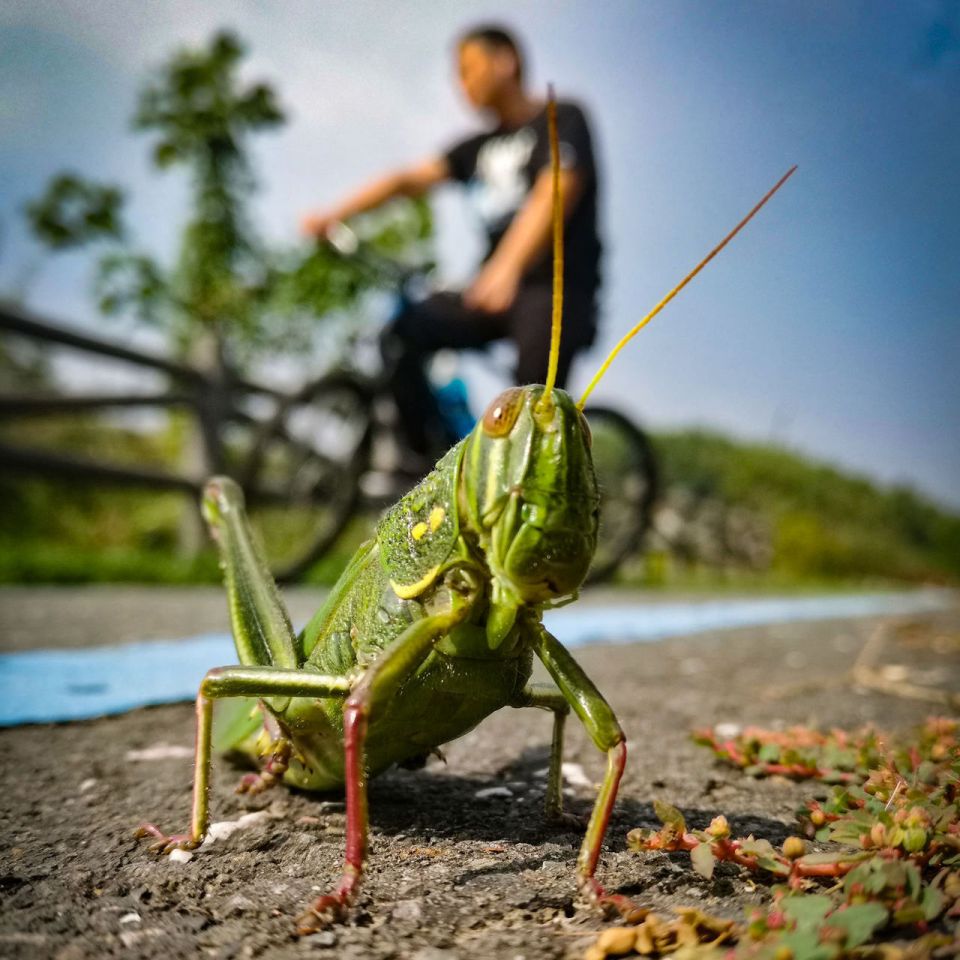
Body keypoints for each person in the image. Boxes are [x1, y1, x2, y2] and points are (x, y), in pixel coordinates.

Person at [302, 24, 602, 464]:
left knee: (529, 403)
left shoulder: (563, 118)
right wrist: (335, 214)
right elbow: (407, 180)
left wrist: (508, 266)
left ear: (506, 61)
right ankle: (427, 460)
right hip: (491, 285)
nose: (461, 83)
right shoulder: (476, 148)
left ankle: (529, 487)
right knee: (403, 331)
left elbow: (555, 190)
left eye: (468, 69)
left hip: (554, 290)